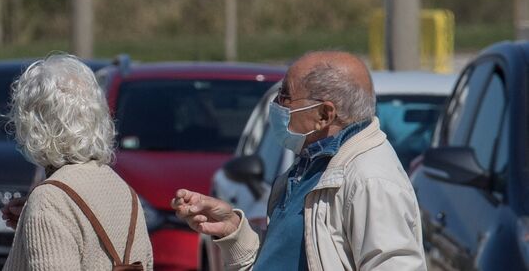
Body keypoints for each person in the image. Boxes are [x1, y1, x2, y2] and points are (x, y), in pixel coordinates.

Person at [172, 51, 427, 271]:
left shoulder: (369, 178)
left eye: (286, 97)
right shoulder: (312, 166)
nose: (277, 105)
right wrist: (233, 230)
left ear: (324, 115)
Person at [1, 54, 154, 271]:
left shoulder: (49, 200)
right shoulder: (124, 190)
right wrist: (32, 221)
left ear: (31, 123)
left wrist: (41, 211)